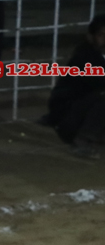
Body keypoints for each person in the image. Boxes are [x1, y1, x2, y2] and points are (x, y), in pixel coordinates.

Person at [45, 15, 105, 158]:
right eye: (101, 35)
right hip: (70, 117)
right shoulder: (84, 57)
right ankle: (83, 141)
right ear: (90, 37)